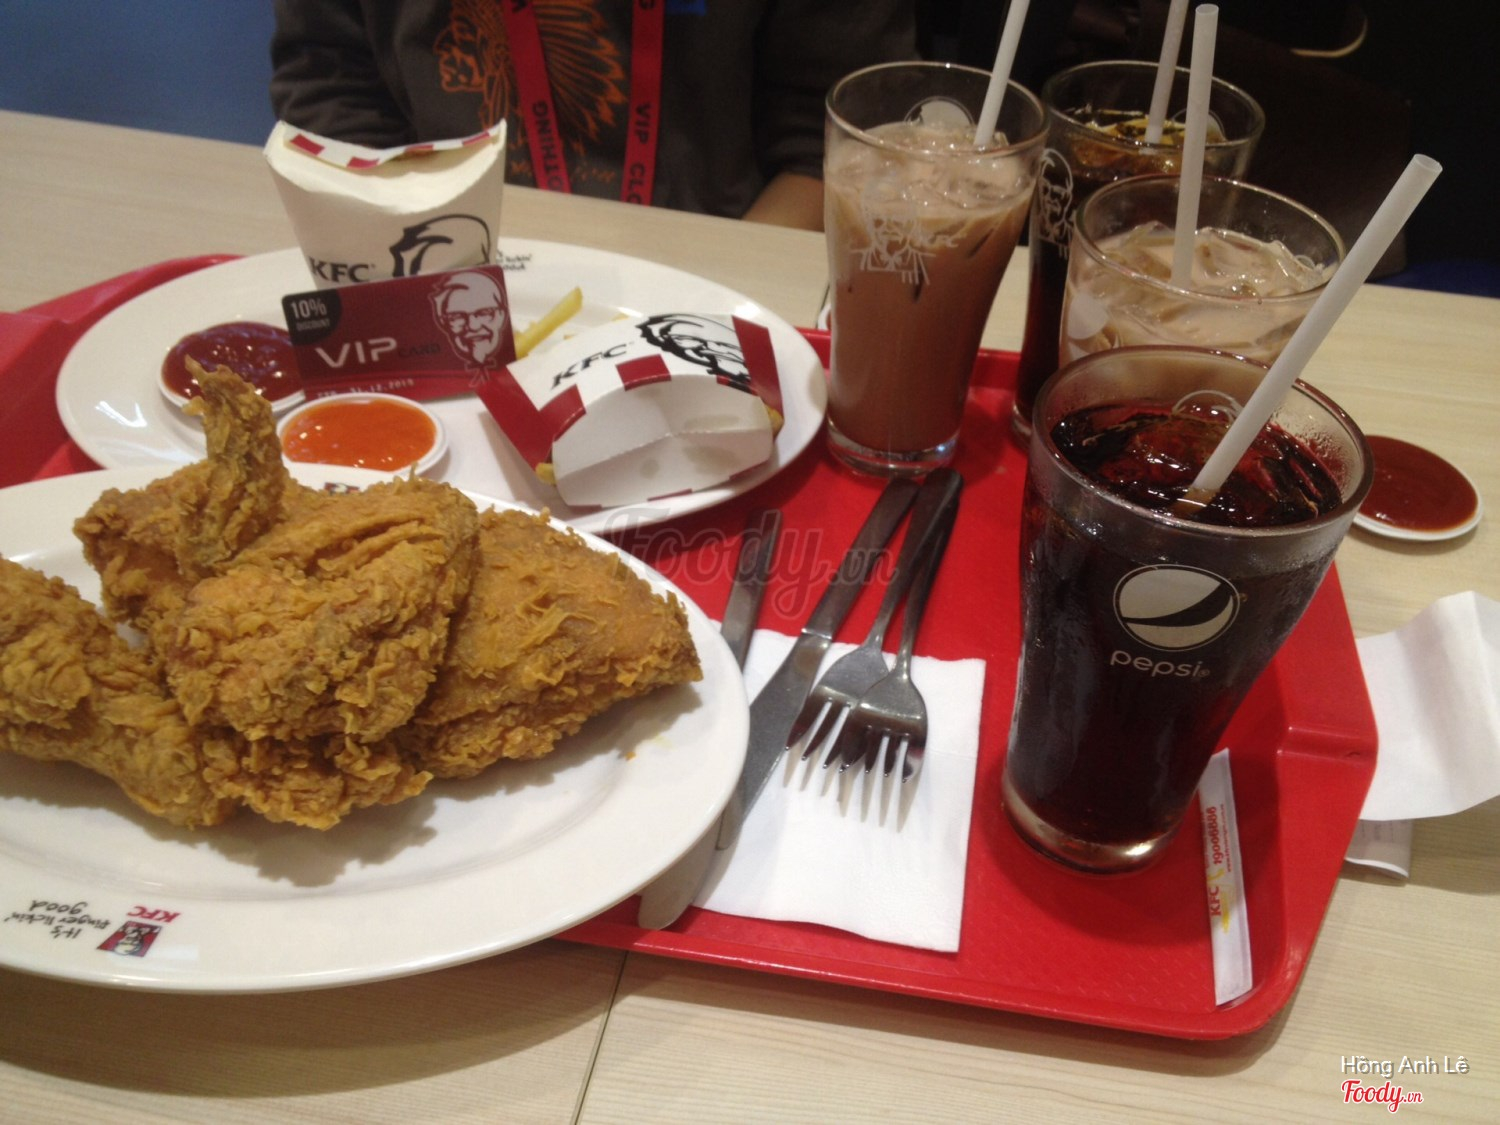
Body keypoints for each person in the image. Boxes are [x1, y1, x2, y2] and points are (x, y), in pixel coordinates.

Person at [269, 0, 917, 232]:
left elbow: (845, 138)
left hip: (717, 262)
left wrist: (715, 307)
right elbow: (332, 86)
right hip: (438, 251)